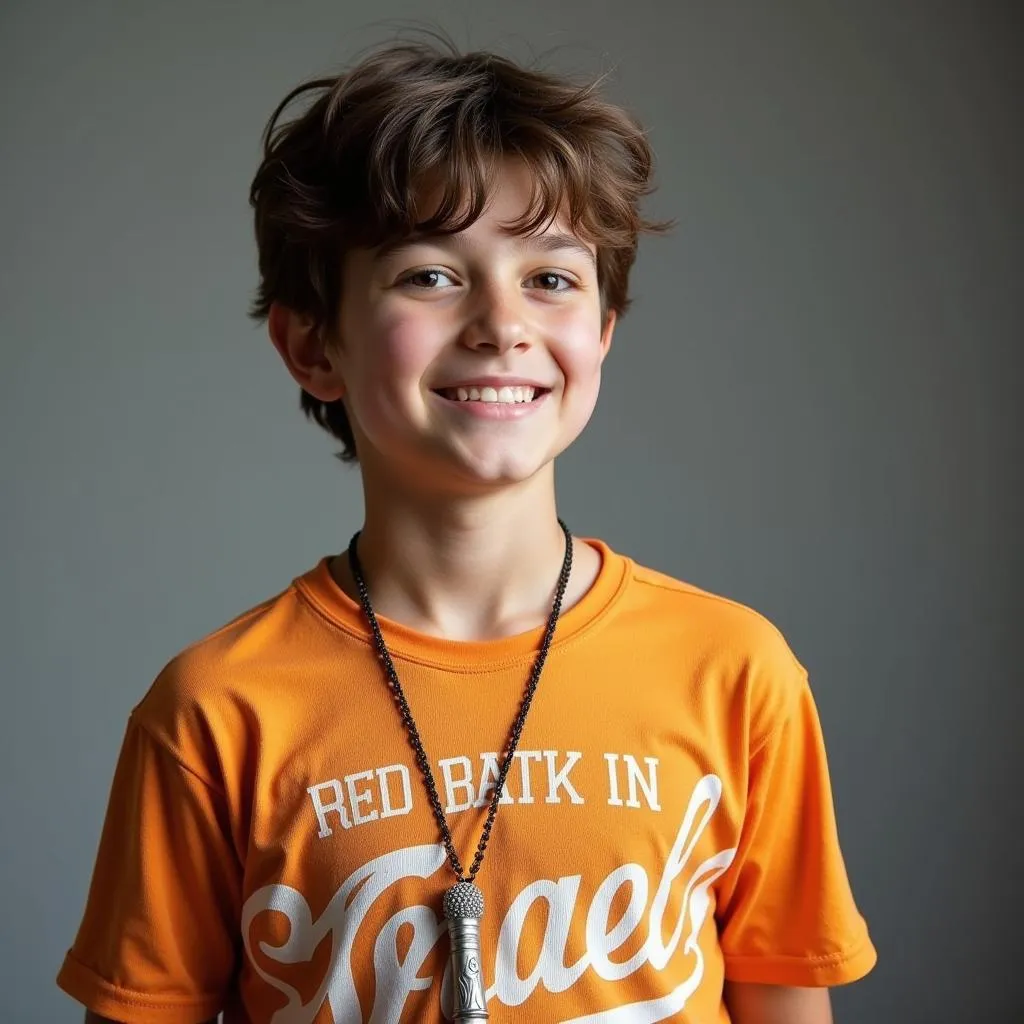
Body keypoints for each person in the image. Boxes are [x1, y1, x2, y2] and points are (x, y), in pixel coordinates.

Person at [57, 38, 876, 1024]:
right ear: (313, 343)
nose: (501, 322)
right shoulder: (215, 714)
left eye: (551, 278)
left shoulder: (737, 672)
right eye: (431, 275)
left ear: (602, 331)